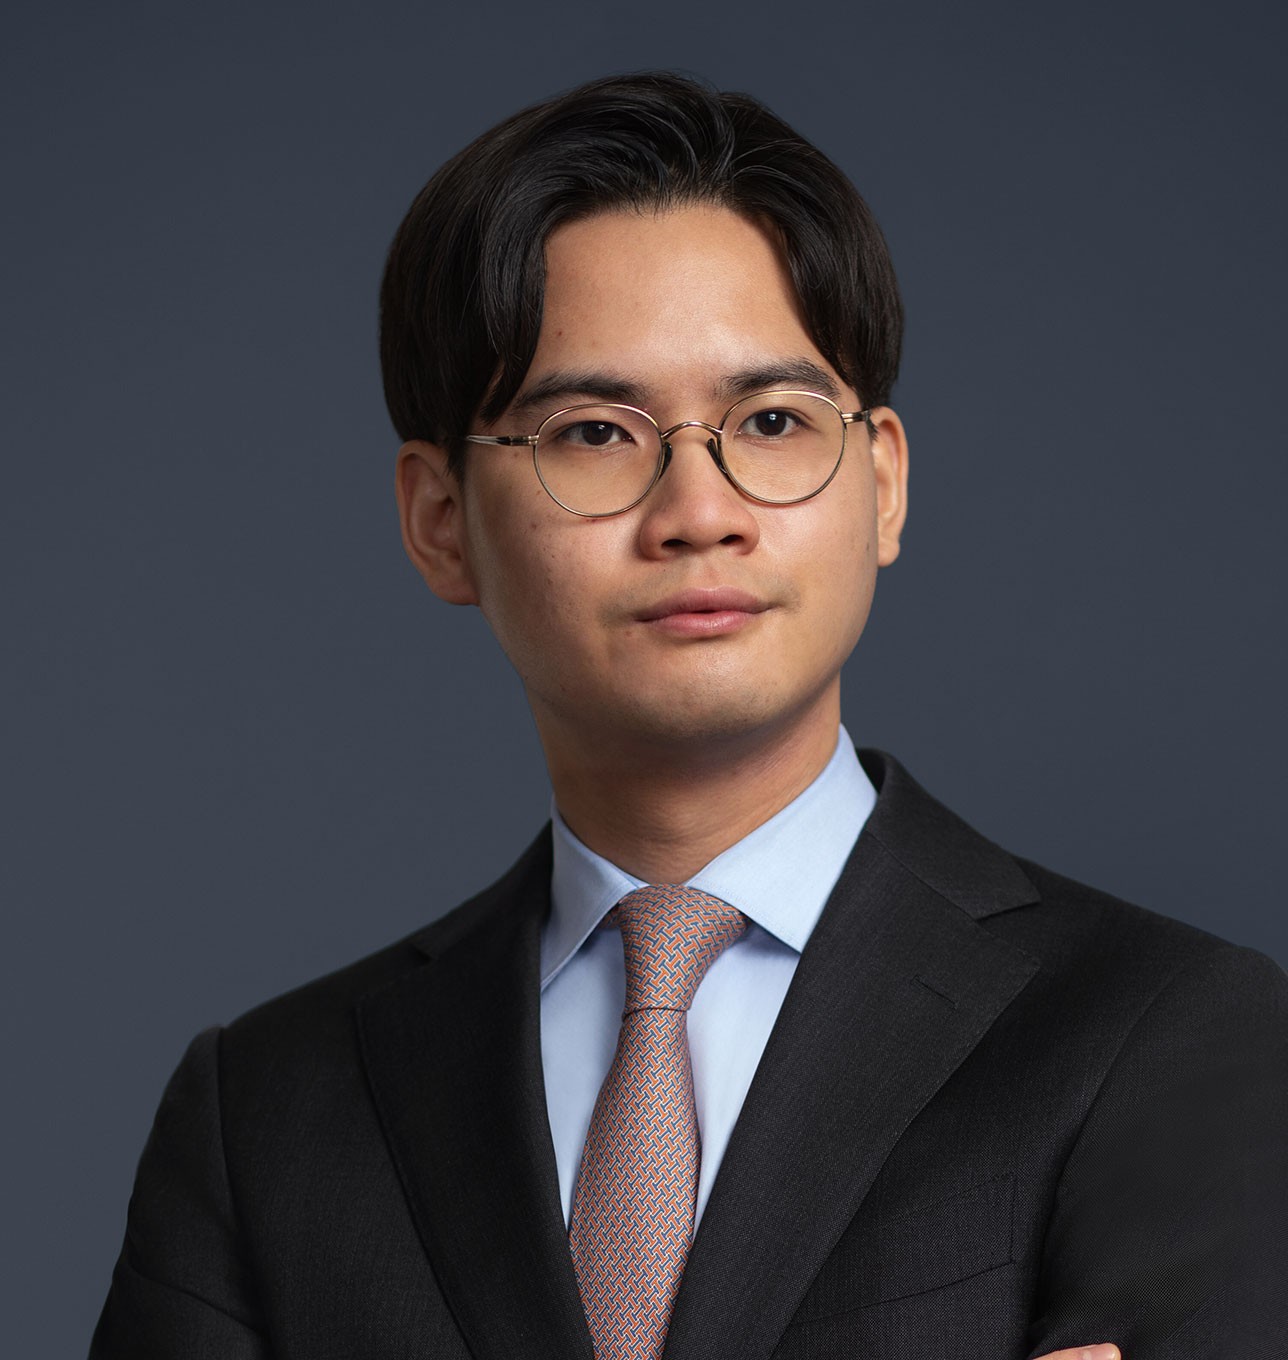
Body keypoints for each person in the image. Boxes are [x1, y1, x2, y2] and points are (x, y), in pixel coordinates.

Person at [90, 72, 1287, 1360]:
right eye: (594, 434)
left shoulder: (1169, 1033)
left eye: (771, 421)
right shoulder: (268, 1113)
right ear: (441, 523)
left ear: (882, 483)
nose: (700, 512)